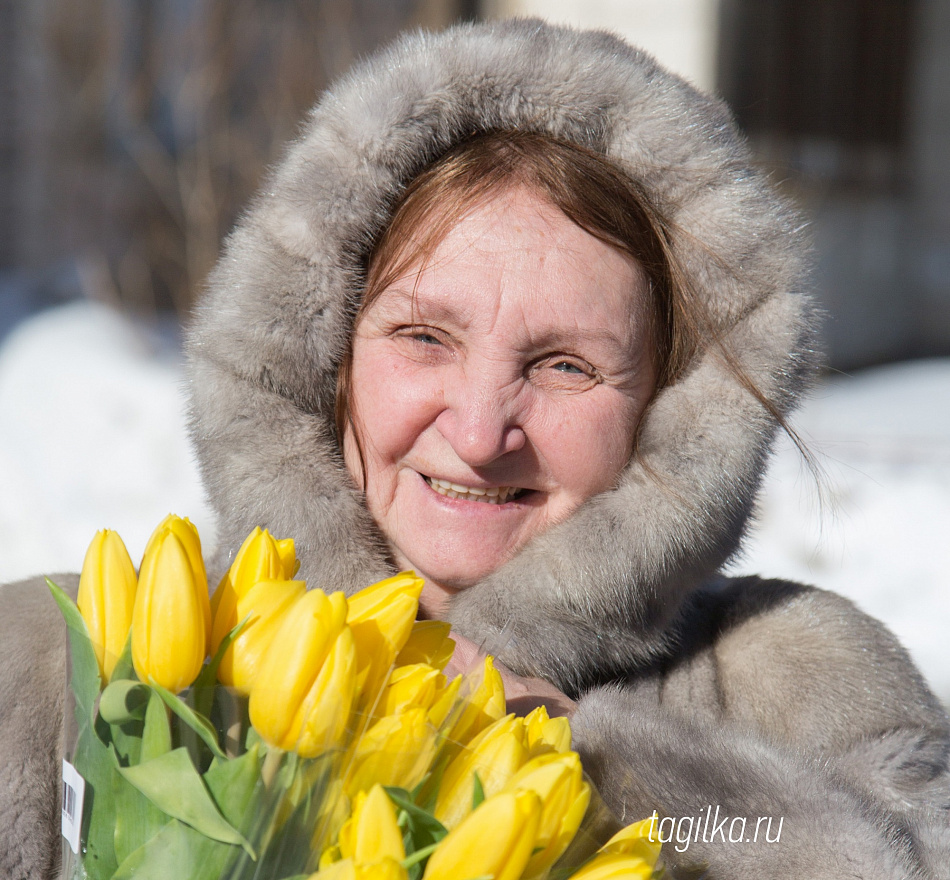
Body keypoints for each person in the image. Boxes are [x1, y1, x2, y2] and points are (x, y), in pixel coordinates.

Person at [1, 18, 948, 880]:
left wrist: (603, 775)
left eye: (567, 366)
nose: (480, 432)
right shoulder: (70, 669)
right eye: (424, 338)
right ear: (322, 357)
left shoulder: (791, 681)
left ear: (669, 409)